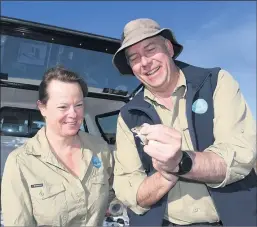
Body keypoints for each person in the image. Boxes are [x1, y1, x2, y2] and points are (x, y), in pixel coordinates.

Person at [112, 18, 257, 226]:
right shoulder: (127, 116)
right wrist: (165, 176)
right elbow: (128, 189)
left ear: (169, 48)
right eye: (134, 58)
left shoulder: (216, 82)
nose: (144, 62)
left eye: (150, 49)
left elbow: (240, 155)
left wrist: (181, 162)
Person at [1, 66, 113, 226]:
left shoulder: (100, 149)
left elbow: (113, 192)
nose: (73, 114)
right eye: (63, 106)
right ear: (42, 108)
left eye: (79, 105)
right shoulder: (20, 162)